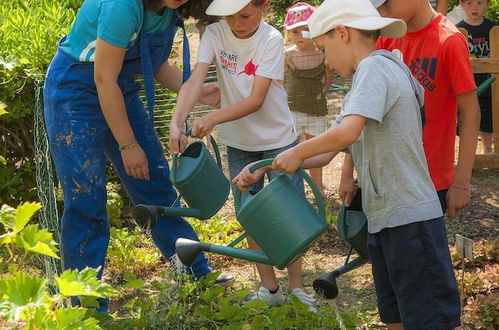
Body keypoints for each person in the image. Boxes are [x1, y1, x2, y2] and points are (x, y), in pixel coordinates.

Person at [234, 0, 462, 328]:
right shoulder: (365, 80)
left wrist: (296, 154)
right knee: (396, 314)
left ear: (342, 33)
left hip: (410, 219)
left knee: (428, 320)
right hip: (386, 219)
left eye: (324, 47)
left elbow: (346, 132)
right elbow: (326, 151)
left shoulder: (376, 68)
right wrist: (267, 166)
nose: (325, 59)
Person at [43, 0, 234, 313]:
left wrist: (196, 92)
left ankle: (196, 274)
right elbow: (103, 78)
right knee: (86, 199)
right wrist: (128, 144)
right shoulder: (123, 6)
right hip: (75, 93)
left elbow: (157, 65)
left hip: (119, 89)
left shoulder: (170, 9)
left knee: (156, 184)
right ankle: (86, 306)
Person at [169, 0, 316, 311]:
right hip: (239, 142)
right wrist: (176, 120)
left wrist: (213, 118)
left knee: (288, 212)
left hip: (278, 139)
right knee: (249, 213)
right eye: (231, 15)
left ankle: (297, 286)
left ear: (263, 6)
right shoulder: (215, 33)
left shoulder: (272, 39)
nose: (237, 22)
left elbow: (257, 99)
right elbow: (195, 81)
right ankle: (269, 287)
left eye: (245, 15)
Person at [369, 0, 480, 218]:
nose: (380, 11)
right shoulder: (385, 37)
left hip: (429, 180)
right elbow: (369, 109)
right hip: (385, 175)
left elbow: (470, 111)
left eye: (386, 3)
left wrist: (461, 183)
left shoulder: (449, 40)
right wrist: (348, 171)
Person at [283, 2, 333, 199]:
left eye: (305, 30)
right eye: (295, 32)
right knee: (292, 150)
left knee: (315, 150)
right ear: (288, 33)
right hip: (293, 111)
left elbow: (328, 77)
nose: (299, 36)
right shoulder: (287, 54)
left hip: (316, 110)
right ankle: (295, 189)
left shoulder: (323, 53)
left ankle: (318, 187)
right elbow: (279, 82)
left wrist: (320, 93)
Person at [457, 0, 497, 153]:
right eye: (469, 3)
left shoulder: (492, 28)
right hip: (468, 81)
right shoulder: (459, 30)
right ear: (461, 4)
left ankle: (487, 151)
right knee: (468, 118)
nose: (475, 7)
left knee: (488, 118)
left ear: (488, 3)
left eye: (480, 2)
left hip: (491, 79)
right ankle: (468, 154)